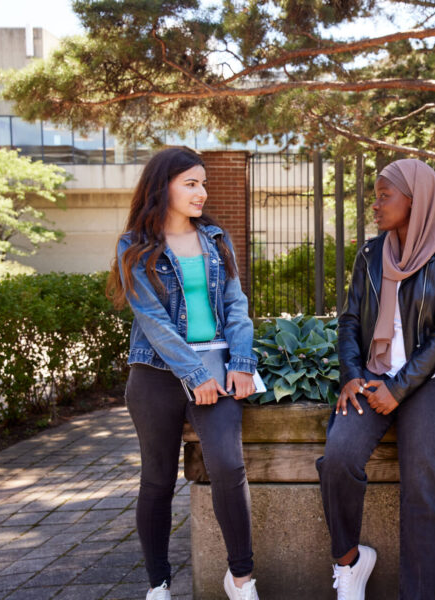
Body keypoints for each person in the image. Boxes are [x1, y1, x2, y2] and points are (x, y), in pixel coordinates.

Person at [107, 147, 260, 600]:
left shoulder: (215, 238)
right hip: (157, 374)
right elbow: (152, 321)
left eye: (204, 183)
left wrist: (242, 363)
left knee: (229, 467)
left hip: (217, 367)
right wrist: (194, 376)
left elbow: (236, 306)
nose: (202, 192)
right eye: (191, 183)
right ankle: (158, 584)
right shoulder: (133, 244)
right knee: (157, 478)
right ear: (164, 186)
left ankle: (241, 580)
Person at [316, 158, 435, 600]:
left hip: (433, 381)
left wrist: (399, 389)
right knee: (338, 458)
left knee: (422, 482)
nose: (376, 204)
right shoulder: (370, 254)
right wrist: (350, 374)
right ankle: (349, 560)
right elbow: (349, 321)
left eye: (386, 196)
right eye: (376, 195)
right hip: (372, 374)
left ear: (415, 200)